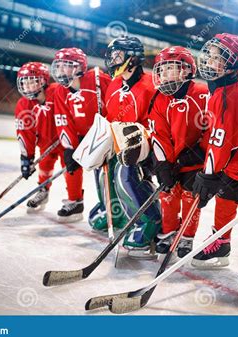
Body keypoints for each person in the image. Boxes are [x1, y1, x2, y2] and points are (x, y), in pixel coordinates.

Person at [190, 34, 238, 279]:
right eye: (209, 55)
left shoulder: (232, 96)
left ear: (234, 65)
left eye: (218, 57)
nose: (209, 61)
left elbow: (222, 141)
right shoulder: (223, 90)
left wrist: (208, 174)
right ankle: (221, 243)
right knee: (225, 200)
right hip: (234, 164)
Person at [89, 36, 161, 258]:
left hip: (144, 147)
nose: (112, 59)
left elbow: (157, 121)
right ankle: (117, 212)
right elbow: (111, 119)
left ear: (133, 58)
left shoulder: (151, 85)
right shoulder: (114, 84)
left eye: (118, 55)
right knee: (103, 171)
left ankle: (148, 220)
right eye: (112, 55)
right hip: (120, 143)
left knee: (124, 174)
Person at [149, 46, 208, 257]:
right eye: (161, 70)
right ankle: (170, 231)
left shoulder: (202, 93)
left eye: (169, 69)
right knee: (168, 192)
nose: (163, 75)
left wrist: (201, 150)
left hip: (196, 161)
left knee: (191, 197)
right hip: (172, 160)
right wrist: (164, 164)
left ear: (185, 70)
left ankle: (187, 236)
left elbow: (213, 128)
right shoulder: (159, 99)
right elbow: (160, 135)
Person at [51, 47, 111, 222]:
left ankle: (115, 209)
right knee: (68, 159)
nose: (61, 70)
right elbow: (63, 120)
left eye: (66, 66)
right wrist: (70, 147)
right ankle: (76, 202)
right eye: (59, 66)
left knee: (107, 174)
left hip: (106, 134)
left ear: (79, 67)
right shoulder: (60, 91)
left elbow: (115, 105)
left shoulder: (98, 80)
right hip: (83, 137)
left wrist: (105, 133)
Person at [15, 62, 64, 212]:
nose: (27, 86)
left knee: (71, 170)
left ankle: (75, 200)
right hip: (45, 143)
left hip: (66, 141)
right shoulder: (23, 104)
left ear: (42, 81)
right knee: (44, 167)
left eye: (31, 82)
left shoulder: (58, 91)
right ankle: (43, 191)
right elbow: (25, 133)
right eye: (24, 83)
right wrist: (27, 158)